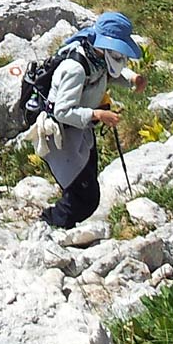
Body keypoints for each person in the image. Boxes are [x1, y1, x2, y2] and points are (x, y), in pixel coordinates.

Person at [34, 12, 145, 229]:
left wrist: (133, 79)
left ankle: (61, 226)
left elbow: (110, 73)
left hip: (80, 130)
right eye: (118, 52)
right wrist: (97, 115)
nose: (120, 57)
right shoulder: (75, 68)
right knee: (84, 196)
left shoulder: (97, 57)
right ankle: (51, 224)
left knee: (86, 190)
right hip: (62, 134)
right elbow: (62, 111)